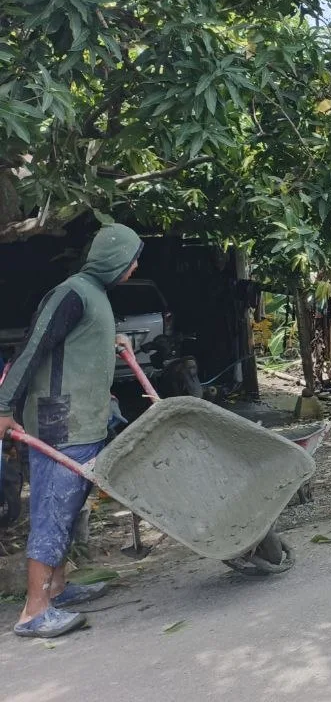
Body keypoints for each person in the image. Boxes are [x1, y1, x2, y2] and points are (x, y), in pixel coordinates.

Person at [0, 223, 143, 638]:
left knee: (70, 504)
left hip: (83, 420)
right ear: (113, 259)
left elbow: (76, 344)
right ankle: (34, 611)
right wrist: (4, 406)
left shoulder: (93, 295)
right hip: (59, 422)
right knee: (53, 508)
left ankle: (58, 588)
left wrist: (113, 340)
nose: (135, 266)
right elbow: (32, 348)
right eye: (132, 259)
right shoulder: (71, 293)